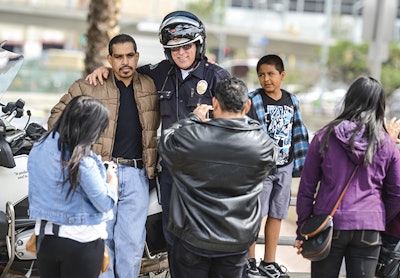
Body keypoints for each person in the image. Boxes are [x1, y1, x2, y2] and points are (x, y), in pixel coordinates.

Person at [85, 10, 231, 252]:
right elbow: (125, 70)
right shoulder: (160, 73)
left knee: (206, 240)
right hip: (171, 173)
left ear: (199, 44)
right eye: (175, 48)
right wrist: (104, 70)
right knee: (172, 238)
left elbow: (240, 121)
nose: (181, 53)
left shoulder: (217, 77)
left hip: (207, 175)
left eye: (187, 46)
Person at [47, 34, 160, 278]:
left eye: (130, 55)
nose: (125, 62)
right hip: (100, 173)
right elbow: (56, 119)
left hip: (137, 174)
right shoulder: (90, 85)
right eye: (118, 57)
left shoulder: (151, 85)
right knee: (100, 240)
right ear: (109, 59)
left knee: (131, 244)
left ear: (137, 56)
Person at [158, 77, 278, 278]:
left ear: (214, 103)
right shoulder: (263, 145)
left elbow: (166, 142)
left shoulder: (193, 137)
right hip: (237, 240)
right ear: (247, 105)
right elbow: (271, 163)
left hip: (192, 236)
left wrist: (194, 119)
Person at [293, 76, 400, 278]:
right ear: (380, 105)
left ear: (349, 99)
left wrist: (302, 230)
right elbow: (397, 193)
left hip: (329, 225)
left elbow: (306, 188)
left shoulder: (324, 136)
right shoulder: (387, 144)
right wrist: (378, 218)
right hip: (369, 226)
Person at [28, 95, 118, 278]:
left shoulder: (40, 146)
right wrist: (111, 179)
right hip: (81, 242)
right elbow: (104, 202)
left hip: (45, 241)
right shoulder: (82, 158)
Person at [246, 54, 309, 277]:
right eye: (261, 75)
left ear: (282, 75)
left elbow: (298, 132)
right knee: (256, 214)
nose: (266, 79)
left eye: (271, 74)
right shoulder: (253, 100)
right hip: (261, 169)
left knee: (277, 214)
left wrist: (299, 164)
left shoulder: (292, 100)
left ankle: (269, 262)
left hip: (285, 166)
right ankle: (250, 261)